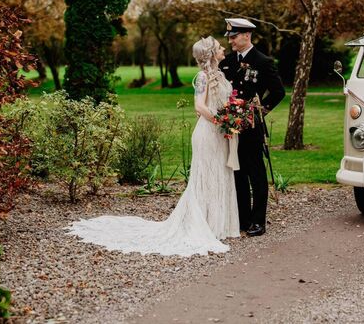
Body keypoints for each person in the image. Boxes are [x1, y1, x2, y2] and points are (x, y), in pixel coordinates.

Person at [66, 37, 240, 256]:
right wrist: (221, 120)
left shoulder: (221, 75)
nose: (223, 48)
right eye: (219, 47)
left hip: (220, 135)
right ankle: (203, 224)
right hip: (207, 133)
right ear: (212, 53)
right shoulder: (203, 77)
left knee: (219, 175)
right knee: (206, 176)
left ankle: (218, 225)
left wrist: (233, 116)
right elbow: (199, 106)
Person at [220, 18, 285, 236]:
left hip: (252, 127)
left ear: (247, 35)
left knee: (256, 173)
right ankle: (243, 218)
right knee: (237, 173)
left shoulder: (263, 61)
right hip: (231, 128)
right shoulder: (226, 62)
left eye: (234, 36)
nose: (230, 41)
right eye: (229, 37)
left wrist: (258, 112)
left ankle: (258, 222)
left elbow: (278, 92)